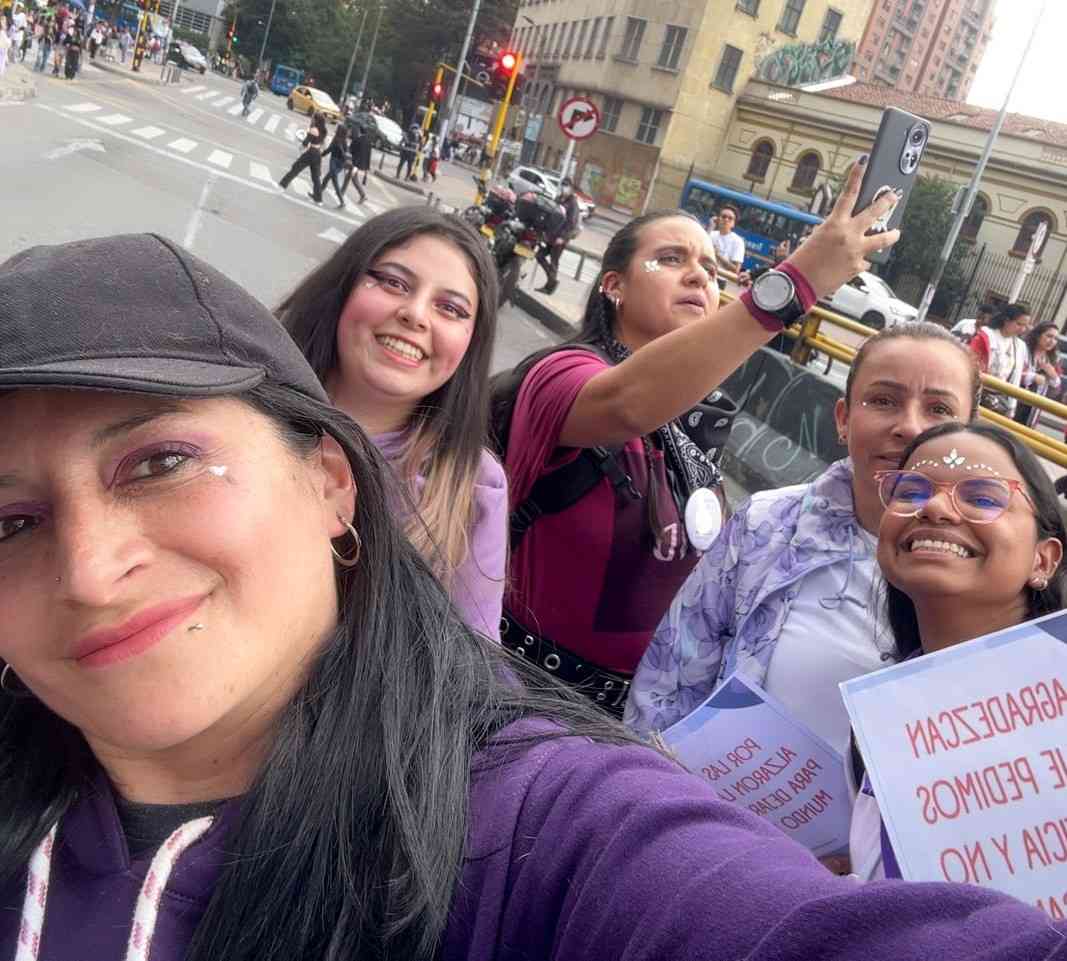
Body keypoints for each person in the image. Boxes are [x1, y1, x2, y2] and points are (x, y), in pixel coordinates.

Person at [4, 234, 1067, 961]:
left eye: (158, 466)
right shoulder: (578, 391)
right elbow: (680, 659)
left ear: (332, 485)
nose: (92, 570)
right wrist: (788, 286)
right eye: (10, 523)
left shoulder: (528, 830)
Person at [491, 159, 901, 715]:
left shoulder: (696, 417)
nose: (699, 276)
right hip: (518, 700)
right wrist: (796, 283)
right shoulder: (563, 374)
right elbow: (627, 403)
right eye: (671, 259)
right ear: (613, 285)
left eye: (710, 268)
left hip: (631, 721)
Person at [626, 323, 980, 754]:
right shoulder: (764, 526)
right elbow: (668, 686)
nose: (909, 426)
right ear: (844, 419)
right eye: (883, 400)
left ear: (970, 433)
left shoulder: (992, 567)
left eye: (939, 409)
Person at [849, 421, 1065, 880]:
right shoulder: (879, 715)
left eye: (983, 498)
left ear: (1042, 560)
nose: (934, 508)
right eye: (909, 491)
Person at [278, 208, 507, 640]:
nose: (416, 314)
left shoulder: (473, 487)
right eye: (393, 283)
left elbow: (478, 672)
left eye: (451, 308)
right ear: (343, 287)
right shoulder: (242, 402)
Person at [970, 303, 1031, 417]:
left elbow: (1015, 379)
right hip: (975, 394)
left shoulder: (1019, 345)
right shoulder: (985, 336)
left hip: (998, 399)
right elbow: (971, 368)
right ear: (1006, 320)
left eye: (1025, 326)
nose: (1022, 329)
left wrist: (1011, 408)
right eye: (1019, 324)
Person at [535, 177, 581, 296]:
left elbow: (572, 223)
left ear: (571, 188)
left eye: (567, 186)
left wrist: (563, 238)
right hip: (551, 236)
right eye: (563, 185)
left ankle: (549, 287)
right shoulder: (559, 198)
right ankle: (552, 281)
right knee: (539, 255)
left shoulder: (573, 203)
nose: (564, 188)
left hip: (560, 239)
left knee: (554, 261)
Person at [1014, 320, 1061, 427]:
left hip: (1033, 409)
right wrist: (1032, 377)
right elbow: (1011, 372)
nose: (1052, 341)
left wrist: (1053, 375)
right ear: (1037, 335)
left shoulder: (1053, 359)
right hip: (1014, 401)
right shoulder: (1023, 350)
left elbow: (1055, 391)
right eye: (1049, 336)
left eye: (1055, 339)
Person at [278, 110, 326, 205]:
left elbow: (305, 142)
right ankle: (319, 199)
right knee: (316, 177)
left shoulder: (313, 130)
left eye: (313, 118)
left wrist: (300, 148)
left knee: (295, 168)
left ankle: (282, 186)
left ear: (316, 120)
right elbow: (321, 143)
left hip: (311, 153)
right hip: (317, 154)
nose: (311, 119)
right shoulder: (324, 130)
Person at [708, 204, 745, 275]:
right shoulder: (711, 234)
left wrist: (718, 255)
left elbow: (736, 270)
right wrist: (711, 226)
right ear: (718, 219)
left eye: (730, 218)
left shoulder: (738, 241)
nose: (726, 219)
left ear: (733, 224)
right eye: (723, 216)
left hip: (720, 278)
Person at [323, 121, 353, 209]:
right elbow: (346, 152)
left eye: (337, 128)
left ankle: (342, 202)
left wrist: (321, 155)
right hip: (341, 164)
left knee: (334, 182)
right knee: (326, 178)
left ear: (339, 131)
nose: (336, 129)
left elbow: (329, 149)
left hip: (335, 162)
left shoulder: (337, 140)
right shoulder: (344, 140)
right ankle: (317, 193)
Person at [341, 118, 370, 201]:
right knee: (351, 178)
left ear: (360, 130)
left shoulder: (358, 140)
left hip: (355, 163)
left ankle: (362, 195)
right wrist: (366, 167)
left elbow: (351, 150)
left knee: (352, 178)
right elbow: (368, 155)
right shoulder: (368, 141)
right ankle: (342, 192)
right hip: (360, 164)